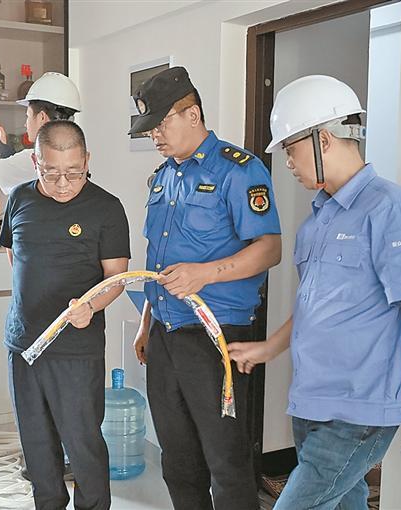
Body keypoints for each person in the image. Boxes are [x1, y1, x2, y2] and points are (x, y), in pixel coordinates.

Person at [227, 75, 401, 509]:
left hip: (359, 409)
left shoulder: (392, 209)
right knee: (346, 502)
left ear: (323, 140)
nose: (288, 163)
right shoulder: (317, 221)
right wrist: (269, 348)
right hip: (311, 401)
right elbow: (314, 306)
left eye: (290, 149)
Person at [129, 66, 282, 510]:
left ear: (192, 114)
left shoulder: (239, 171)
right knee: (177, 460)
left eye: (161, 123)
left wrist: (205, 274)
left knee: (226, 462)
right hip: (165, 335)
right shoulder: (163, 176)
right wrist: (146, 324)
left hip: (215, 337)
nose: (154, 135)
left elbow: (269, 248)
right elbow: (158, 261)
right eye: (150, 127)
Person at [0, 120, 130, 510]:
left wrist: (91, 306)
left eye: (73, 173)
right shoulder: (18, 199)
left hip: (76, 350)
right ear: (35, 162)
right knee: (37, 445)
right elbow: (15, 255)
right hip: (24, 345)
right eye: (51, 172)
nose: (62, 184)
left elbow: (117, 278)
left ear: (87, 160)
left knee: (83, 444)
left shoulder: (106, 208)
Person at [0, 72, 81, 194]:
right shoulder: (75, 159)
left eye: (28, 116)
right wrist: (3, 148)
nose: (25, 124)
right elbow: (19, 175)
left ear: (42, 117)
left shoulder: (35, 160)